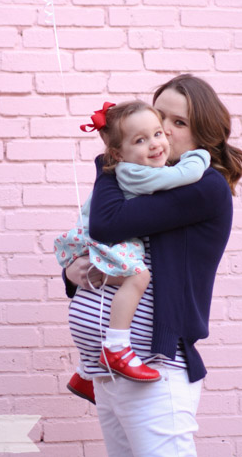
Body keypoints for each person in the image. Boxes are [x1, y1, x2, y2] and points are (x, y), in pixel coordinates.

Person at [64, 74, 242, 457]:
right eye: (158, 116)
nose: (162, 130)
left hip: (156, 370)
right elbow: (110, 247)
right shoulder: (147, 184)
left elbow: (107, 223)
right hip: (109, 374)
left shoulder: (205, 186)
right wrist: (73, 272)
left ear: (203, 135)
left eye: (178, 123)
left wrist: (111, 161)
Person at [54, 100, 211, 398]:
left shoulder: (126, 172)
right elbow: (180, 176)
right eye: (141, 139)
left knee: (122, 277)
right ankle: (115, 348)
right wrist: (200, 157)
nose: (156, 142)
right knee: (138, 277)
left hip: (97, 247)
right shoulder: (135, 173)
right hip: (101, 243)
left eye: (159, 132)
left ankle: (87, 370)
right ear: (118, 153)